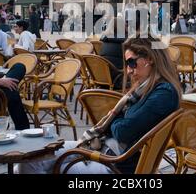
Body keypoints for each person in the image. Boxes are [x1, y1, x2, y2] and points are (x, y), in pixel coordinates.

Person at [16, 36, 181, 174]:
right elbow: (123, 127)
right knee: (29, 158)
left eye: (131, 63)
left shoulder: (164, 93)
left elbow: (123, 132)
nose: (128, 71)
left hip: (117, 164)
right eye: (127, 65)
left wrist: (116, 116)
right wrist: (119, 119)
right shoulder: (145, 88)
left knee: (49, 167)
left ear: (150, 59)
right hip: (102, 147)